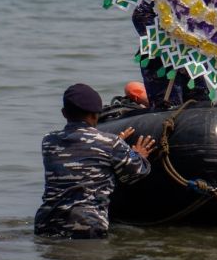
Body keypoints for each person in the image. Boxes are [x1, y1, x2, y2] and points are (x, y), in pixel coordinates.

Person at [34, 83, 156, 239]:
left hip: (46, 224)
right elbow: (136, 172)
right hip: (86, 226)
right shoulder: (110, 143)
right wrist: (135, 154)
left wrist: (113, 144)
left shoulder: (48, 141)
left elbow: (83, 152)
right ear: (95, 115)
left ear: (64, 113)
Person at [132, 0, 209, 108]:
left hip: (192, 57)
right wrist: (172, 34)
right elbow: (139, 16)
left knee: (201, 103)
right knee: (168, 106)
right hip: (161, 60)